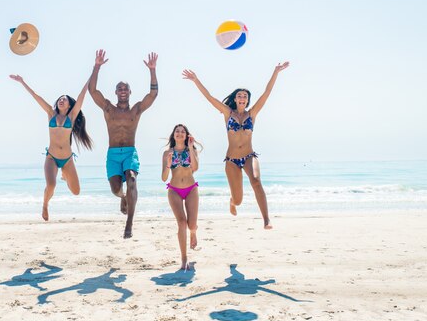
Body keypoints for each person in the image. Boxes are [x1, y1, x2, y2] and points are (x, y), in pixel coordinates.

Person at [182, 62, 290, 229]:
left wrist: (275, 72)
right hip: (232, 160)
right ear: (235, 99)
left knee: (256, 181)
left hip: (249, 156)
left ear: (247, 101)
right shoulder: (228, 113)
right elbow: (210, 97)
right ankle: (232, 201)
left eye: (245, 96)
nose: (242, 98)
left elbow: (267, 93)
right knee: (238, 200)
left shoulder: (252, 114)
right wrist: (196, 80)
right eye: (239, 95)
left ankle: (266, 220)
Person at [88, 49, 158, 238]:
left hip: (129, 152)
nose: (123, 91)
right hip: (112, 154)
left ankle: (129, 225)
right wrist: (97, 66)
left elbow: (152, 95)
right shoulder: (108, 108)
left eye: (126, 88)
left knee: (132, 180)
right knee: (116, 189)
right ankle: (123, 197)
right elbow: (92, 91)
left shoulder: (136, 110)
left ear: (130, 92)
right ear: (116, 92)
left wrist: (152, 70)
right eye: (120, 88)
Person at [10, 75, 92, 221]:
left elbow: (82, 94)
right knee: (51, 185)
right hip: (52, 158)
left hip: (67, 159)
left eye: (64, 99)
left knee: (76, 191)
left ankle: (65, 175)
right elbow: (36, 96)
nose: (61, 100)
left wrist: (95, 69)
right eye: (60, 99)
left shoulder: (72, 117)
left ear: (69, 105)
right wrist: (22, 82)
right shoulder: (50, 113)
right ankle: (45, 205)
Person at [161, 124, 200, 270]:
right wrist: (168, 165)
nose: (180, 133)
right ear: (173, 135)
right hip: (174, 190)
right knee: (182, 223)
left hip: (191, 189)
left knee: (191, 225)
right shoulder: (167, 153)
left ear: (186, 135)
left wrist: (190, 148)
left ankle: (193, 233)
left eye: (183, 132)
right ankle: (184, 259)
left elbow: (195, 168)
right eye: (177, 131)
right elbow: (164, 178)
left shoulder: (192, 150)